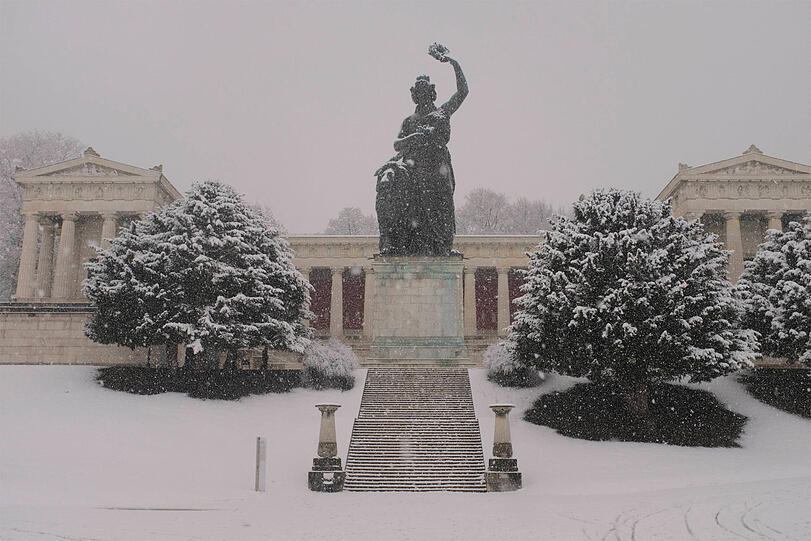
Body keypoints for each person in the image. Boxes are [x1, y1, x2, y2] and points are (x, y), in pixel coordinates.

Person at [375, 53, 469, 255]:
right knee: (410, 203)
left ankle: (442, 245)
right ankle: (407, 241)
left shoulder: (442, 112)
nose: (422, 95)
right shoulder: (409, 120)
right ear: (414, 95)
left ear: (432, 93)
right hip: (416, 169)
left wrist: (453, 63)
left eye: (425, 91)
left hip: (438, 168)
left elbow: (463, 91)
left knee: (442, 208)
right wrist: (414, 137)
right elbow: (397, 144)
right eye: (418, 92)